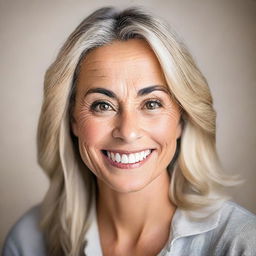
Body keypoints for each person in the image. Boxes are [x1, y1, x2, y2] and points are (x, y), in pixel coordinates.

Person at [2, 6, 256, 256]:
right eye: (103, 105)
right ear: (72, 120)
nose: (128, 131)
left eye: (152, 104)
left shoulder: (240, 243)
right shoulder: (29, 242)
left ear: (182, 119)